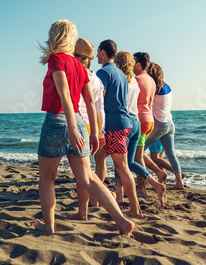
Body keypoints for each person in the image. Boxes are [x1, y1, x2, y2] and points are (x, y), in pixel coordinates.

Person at [33, 20, 134, 236]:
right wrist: (94, 132)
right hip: (80, 121)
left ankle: (49, 228)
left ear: (55, 36)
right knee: (88, 179)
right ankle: (122, 221)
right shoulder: (80, 65)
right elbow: (89, 103)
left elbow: (65, 95)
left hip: (59, 122)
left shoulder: (56, 60)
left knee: (46, 179)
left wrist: (71, 129)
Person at [96, 40, 165, 213]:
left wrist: (99, 127)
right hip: (133, 121)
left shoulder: (105, 73)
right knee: (109, 160)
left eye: (98, 52)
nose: (97, 55)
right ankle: (103, 196)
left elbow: (99, 100)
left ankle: (133, 206)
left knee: (123, 166)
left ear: (103, 52)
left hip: (116, 124)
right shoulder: (127, 77)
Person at [73, 38, 106, 215]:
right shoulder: (96, 80)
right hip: (88, 124)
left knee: (82, 174)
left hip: (74, 122)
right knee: (85, 172)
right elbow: (100, 110)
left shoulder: (73, 74)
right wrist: (100, 131)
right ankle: (84, 210)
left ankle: (84, 211)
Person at [144, 62, 185, 190]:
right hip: (170, 124)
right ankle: (179, 182)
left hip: (159, 125)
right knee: (171, 154)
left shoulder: (154, 89)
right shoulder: (167, 87)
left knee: (137, 151)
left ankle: (154, 173)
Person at [133, 52, 167, 198]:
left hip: (140, 120)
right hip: (149, 120)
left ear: (138, 64)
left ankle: (142, 189)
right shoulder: (151, 80)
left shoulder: (137, 80)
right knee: (138, 154)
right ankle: (159, 172)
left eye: (133, 63)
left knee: (138, 157)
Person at [113, 51, 140, 203]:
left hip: (125, 120)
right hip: (136, 121)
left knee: (120, 163)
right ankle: (154, 183)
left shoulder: (120, 80)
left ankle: (119, 195)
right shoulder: (135, 81)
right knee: (127, 164)